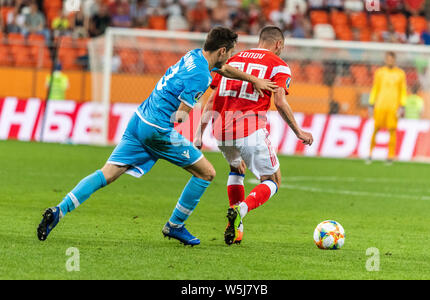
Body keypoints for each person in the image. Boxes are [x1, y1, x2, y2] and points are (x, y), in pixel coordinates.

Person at [37, 27, 278, 246]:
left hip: (139, 119)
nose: (231, 57)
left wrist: (253, 79)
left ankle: (59, 210)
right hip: (157, 130)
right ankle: (175, 225)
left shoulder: (194, 55)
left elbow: (223, 68)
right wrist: (183, 124)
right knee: (206, 173)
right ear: (222, 50)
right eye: (231, 52)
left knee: (107, 173)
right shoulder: (202, 78)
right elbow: (180, 116)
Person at [194, 26, 313, 245]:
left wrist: (199, 133)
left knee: (236, 168)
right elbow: (279, 101)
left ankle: (236, 227)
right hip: (249, 129)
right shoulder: (279, 65)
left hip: (220, 129)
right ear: (278, 44)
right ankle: (242, 209)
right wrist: (298, 131)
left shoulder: (234, 58)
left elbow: (212, 99)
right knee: (273, 180)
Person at [367, 52, 407, 164]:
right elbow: (375, 88)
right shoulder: (380, 72)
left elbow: (403, 91)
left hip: (393, 107)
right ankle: (370, 154)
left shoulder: (400, 74)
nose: (390, 61)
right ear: (385, 60)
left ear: (394, 60)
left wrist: (402, 106)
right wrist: (371, 103)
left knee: (392, 130)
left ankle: (390, 156)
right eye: (388, 59)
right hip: (380, 105)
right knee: (376, 129)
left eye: (392, 59)